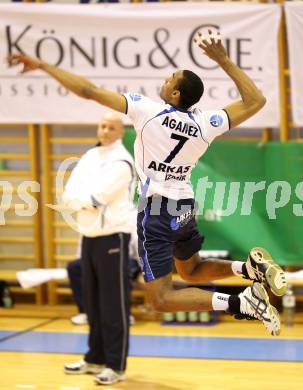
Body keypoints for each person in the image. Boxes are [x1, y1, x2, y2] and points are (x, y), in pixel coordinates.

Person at [8, 30, 287, 340]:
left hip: (155, 210)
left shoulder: (147, 111)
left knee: (160, 298)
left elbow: (88, 90)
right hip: (183, 206)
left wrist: (45, 66)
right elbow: (256, 100)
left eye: (170, 79)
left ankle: (240, 302)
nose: (165, 81)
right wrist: (223, 59)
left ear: (177, 94)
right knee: (191, 270)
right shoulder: (206, 124)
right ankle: (249, 270)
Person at [59, 113, 135, 385]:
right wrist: (79, 199)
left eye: (111, 127)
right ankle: (95, 358)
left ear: (120, 132)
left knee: (114, 304)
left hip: (113, 236)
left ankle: (116, 365)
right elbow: (69, 192)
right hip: (89, 236)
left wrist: (80, 199)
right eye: (102, 126)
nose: (104, 131)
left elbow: (95, 199)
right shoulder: (91, 156)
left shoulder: (123, 162)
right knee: (92, 303)